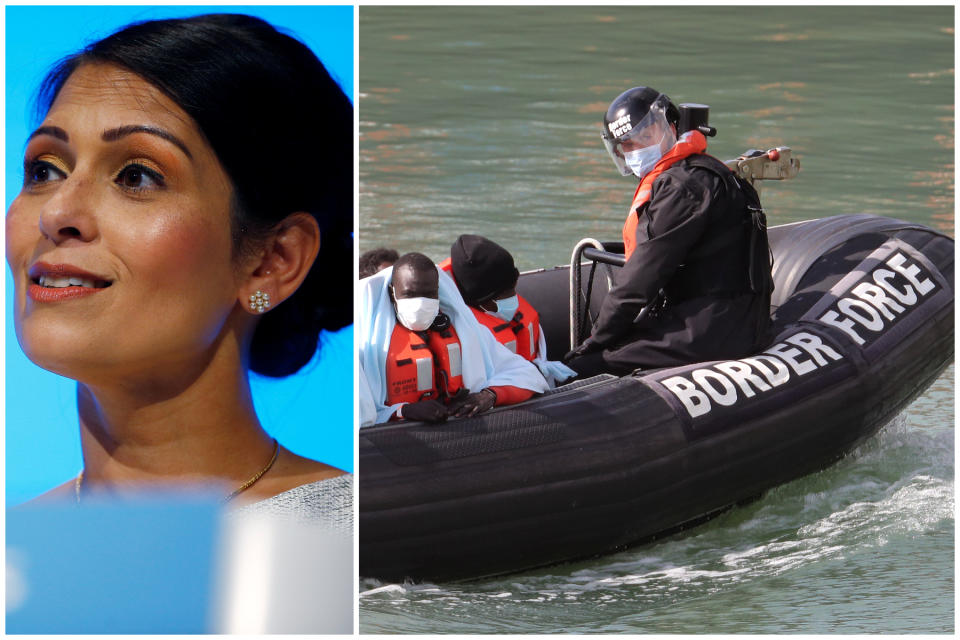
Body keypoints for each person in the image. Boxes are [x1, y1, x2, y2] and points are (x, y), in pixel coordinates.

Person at [5, 13, 352, 527]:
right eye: (45, 170)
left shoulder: (349, 543)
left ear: (272, 262)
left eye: (136, 176)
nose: (57, 214)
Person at [564, 86, 773, 376]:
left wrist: (592, 343)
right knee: (616, 344)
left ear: (670, 128)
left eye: (645, 137)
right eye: (627, 145)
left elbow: (640, 279)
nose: (635, 150)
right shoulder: (699, 171)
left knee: (584, 367)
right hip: (728, 316)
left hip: (718, 328)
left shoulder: (684, 187)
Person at [359, 252, 549, 426]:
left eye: (429, 294)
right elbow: (357, 412)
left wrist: (488, 396)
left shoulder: (467, 333)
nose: (421, 303)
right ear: (393, 293)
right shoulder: (367, 345)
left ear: (439, 293)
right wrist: (403, 410)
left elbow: (527, 375)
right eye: (410, 294)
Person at [442, 234, 575, 387]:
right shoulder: (464, 333)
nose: (513, 299)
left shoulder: (497, 307)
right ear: (479, 301)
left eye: (513, 289)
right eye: (503, 295)